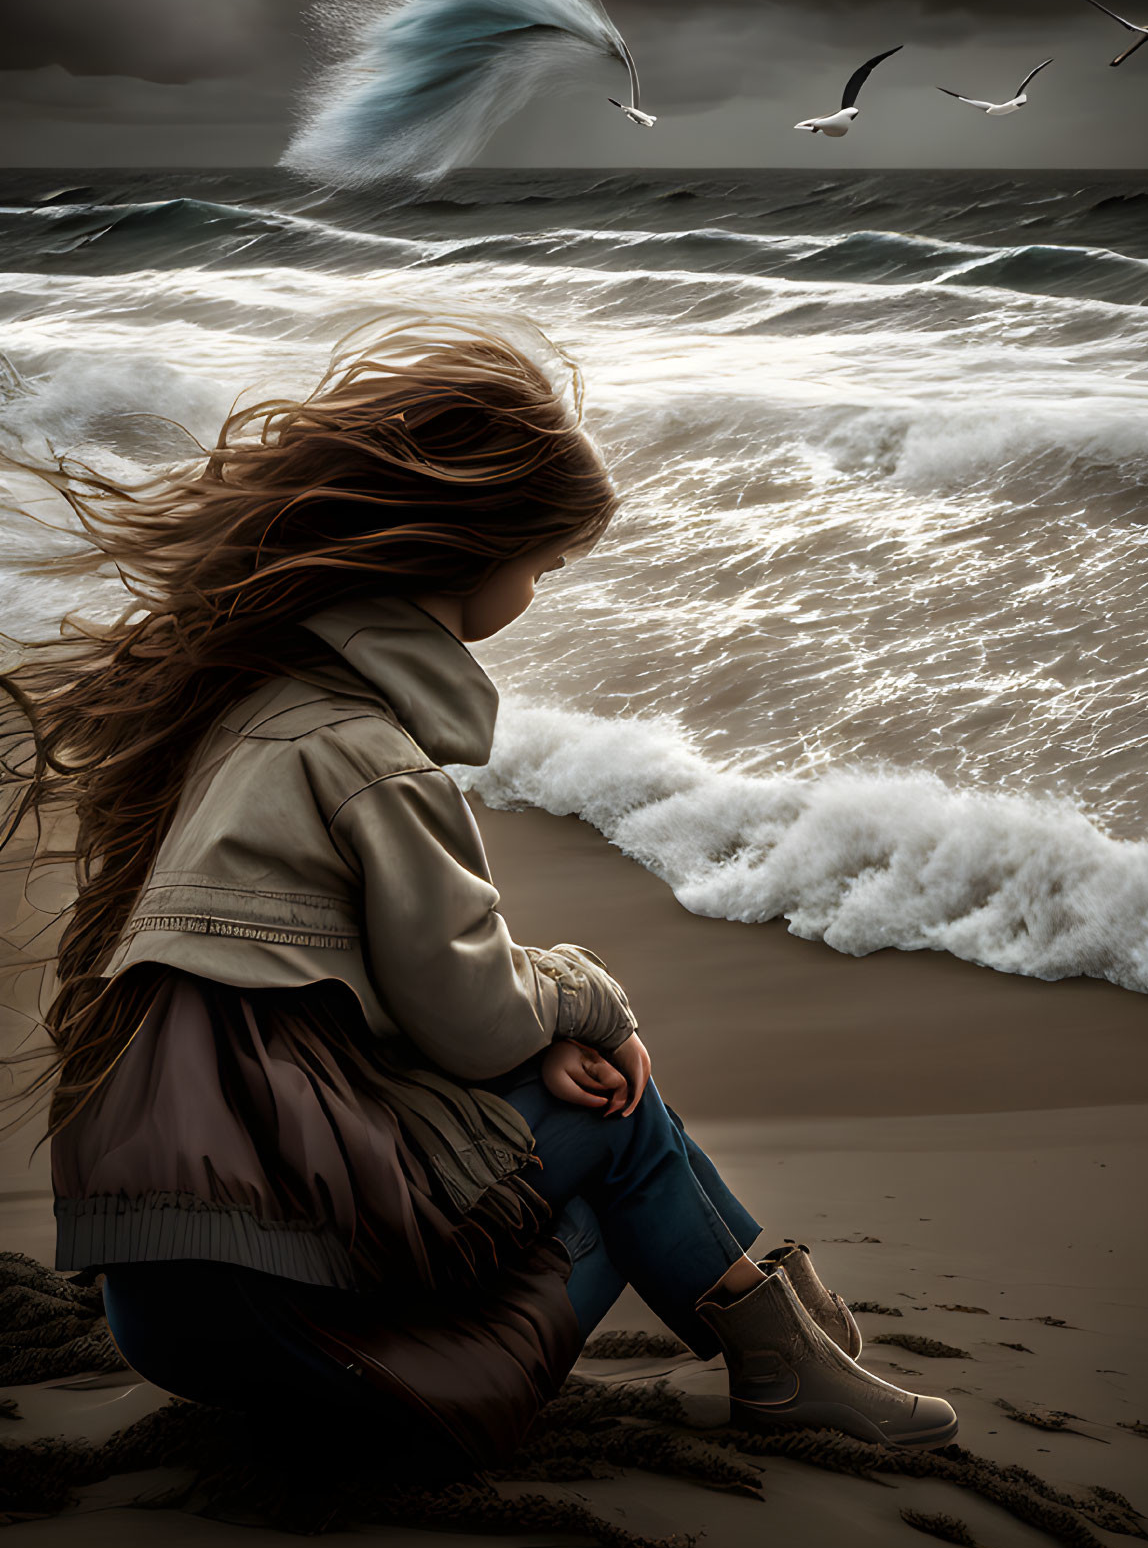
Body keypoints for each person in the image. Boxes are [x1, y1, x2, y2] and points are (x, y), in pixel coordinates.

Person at [0, 312, 956, 1476]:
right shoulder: (370, 758)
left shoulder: (240, 720)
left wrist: (527, 1048)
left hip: (169, 1317)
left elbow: (340, 1015)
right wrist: (590, 1003)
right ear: (467, 552)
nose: (539, 591)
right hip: (301, 1303)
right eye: (542, 565)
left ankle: (789, 1330)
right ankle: (784, 1350)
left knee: (590, 1126)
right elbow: (476, 1018)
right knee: (625, 1109)